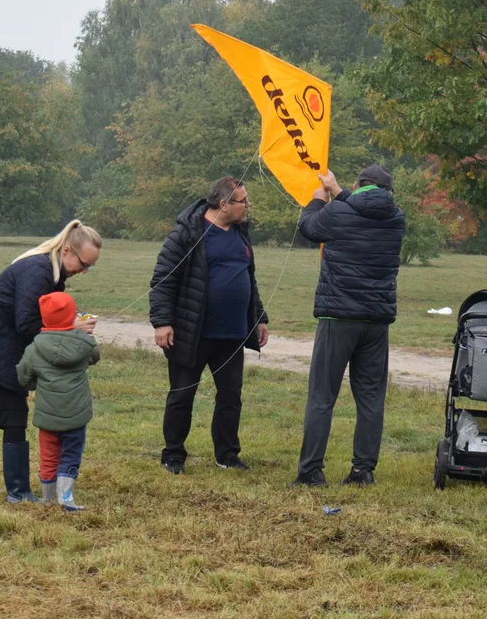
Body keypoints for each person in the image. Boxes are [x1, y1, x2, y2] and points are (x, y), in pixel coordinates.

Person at [0, 220, 101, 502]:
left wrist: (68, 323)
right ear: (67, 250)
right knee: (11, 417)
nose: (85, 271)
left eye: (90, 266)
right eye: (84, 263)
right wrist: (72, 330)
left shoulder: (51, 270)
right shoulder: (38, 271)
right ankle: (17, 493)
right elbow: (27, 324)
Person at [290, 165, 406, 488]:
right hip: (376, 321)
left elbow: (308, 228)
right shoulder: (396, 218)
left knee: (322, 396)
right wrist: (339, 192)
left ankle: (311, 470)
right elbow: (365, 208)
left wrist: (319, 198)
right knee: (370, 398)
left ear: (358, 185)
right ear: (389, 192)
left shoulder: (338, 212)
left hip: (337, 317)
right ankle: (362, 470)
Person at [150, 177, 269, 474]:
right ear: (224, 204)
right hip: (193, 332)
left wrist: (259, 318)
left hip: (232, 335)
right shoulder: (187, 234)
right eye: (244, 201)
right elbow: (163, 281)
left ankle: (227, 455)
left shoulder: (241, 233)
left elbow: (248, 279)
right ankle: (173, 455)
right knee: (182, 395)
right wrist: (162, 322)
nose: (248, 206)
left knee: (230, 397)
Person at [17, 291, 100, 512]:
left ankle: (49, 499)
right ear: (72, 317)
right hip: (76, 414)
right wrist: (85, 335)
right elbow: (95, 357)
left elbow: (24, 376)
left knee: (49, 456)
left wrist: (36, 384)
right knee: (71, 454)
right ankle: (66, 499)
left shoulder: (34, 348)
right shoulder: (83, 344)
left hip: (47, 415)